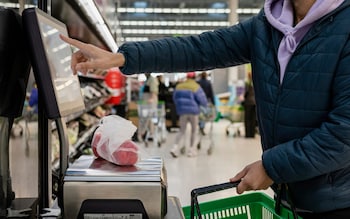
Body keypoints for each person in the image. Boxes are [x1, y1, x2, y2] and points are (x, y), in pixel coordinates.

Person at [60, 0, 350, 217]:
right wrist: (121, 58)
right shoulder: (267, 25)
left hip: (337, 201)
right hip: (288, 195)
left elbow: (344, 134)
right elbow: (199, 49)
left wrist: (272, 166)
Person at [170, 72, 207, 157]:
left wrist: (180, 106)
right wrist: (205, 105)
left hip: (182, 111)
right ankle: (191, 150)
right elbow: (203, 100)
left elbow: (174, 98)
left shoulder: (179, 86)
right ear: (194, 78)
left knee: (182, 130)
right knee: (194, 131)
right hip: (193, 112)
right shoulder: (196, 86)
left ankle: (174, 148)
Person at [242, 71, 256, 138]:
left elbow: (246, 92)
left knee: (247, 119)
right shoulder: (256, 81)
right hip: (254, 103)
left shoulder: (248, 82)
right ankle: (252, 134)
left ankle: (248, 134)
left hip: (248, 103)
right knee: (253, 119)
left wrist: (243, 97)